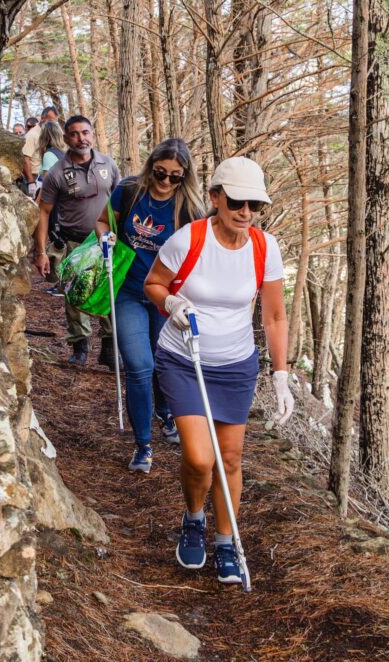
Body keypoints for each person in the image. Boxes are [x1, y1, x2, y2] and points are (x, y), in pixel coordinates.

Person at [144, 156, 294, 585]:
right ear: (215, 198)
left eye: (255, 205)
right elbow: (153, 284)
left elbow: (275, 316)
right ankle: (194, 518)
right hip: (184, 359)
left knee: (229, 459)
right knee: (198, 457)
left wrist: (280, 376)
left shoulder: (265, 248)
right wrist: (171, 303)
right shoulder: (187, 239)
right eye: (237, 202)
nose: (246, 213)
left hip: (235, 365)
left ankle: (226, 541)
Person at [94, 138, 205, 473]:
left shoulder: (189, 211)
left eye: (175, 176)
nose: (166, 181)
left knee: (163, 363)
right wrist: (105, 239)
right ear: (151, 165)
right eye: (161, 172)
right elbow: (103, 221)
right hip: (128, 289)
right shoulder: (129, 191)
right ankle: (143, 444)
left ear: (184, 177)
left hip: (165, 298)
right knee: (139, 366)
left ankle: (165, 413)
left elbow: (198, 255)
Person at [35, 115, 121, 368]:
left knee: (107, 293)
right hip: (73, 241)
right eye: (74, 134)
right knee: (74, 295)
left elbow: (120, 202)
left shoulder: (108, 164)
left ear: (92, 134)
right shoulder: (57, 173)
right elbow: (43, 211)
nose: (81, 138)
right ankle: (79, 346)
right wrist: (41, 251)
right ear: (66, 138)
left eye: (85, 132)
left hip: (105, 242)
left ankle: (109, 348)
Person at [35, 120, 68, 294]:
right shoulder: (63, 154)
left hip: (55, 203)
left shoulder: (49, 155)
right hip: (66, 202)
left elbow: (48, 183)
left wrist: (37, 204)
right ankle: (62, 284)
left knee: (57, 240)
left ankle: (62, 283)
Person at [22, 106, 59, 194]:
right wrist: (31, 182)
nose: (53, 123)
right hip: (33, 177)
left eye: (55, 121)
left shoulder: (49, 134)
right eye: (51, 120)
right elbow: (25, 157)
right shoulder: (32, 135)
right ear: (43, 118)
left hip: (46, 177)